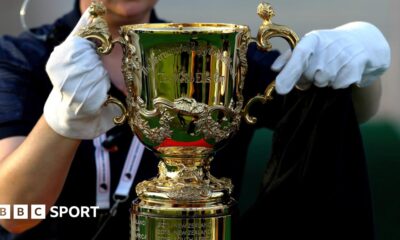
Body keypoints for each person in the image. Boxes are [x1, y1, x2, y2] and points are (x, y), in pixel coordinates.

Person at [0, 0, 390, 239]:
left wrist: (360, 65)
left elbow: (331, 116)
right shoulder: (23, 58)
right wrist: (58, 122)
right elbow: (12, 213)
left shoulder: (211, 51)